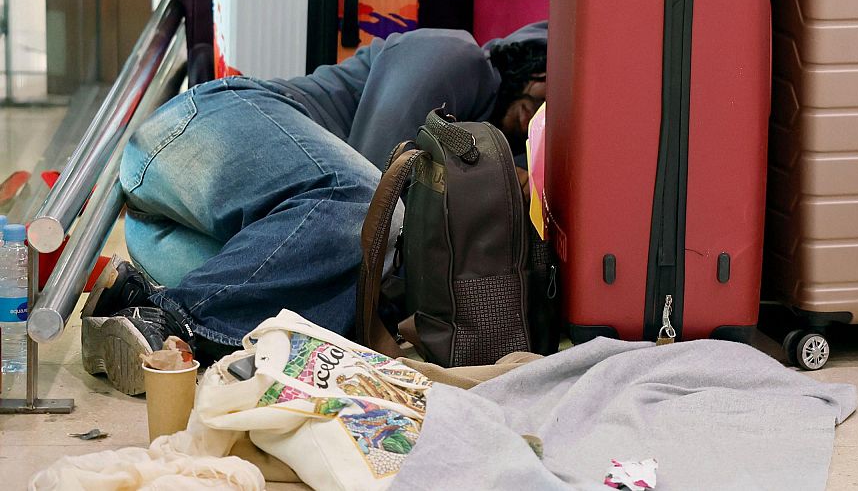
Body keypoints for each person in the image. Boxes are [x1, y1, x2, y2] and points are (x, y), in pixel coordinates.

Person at [79, 23, 548, 396]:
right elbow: (377, 193)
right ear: (535, 70)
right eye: (543, 99)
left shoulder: (495, 139)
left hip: (204, 236)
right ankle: (172, 317)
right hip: (198, 132)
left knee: (321, 329)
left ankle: (131, 306)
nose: (538, 117)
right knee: (369, 211)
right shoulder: (458, 56)